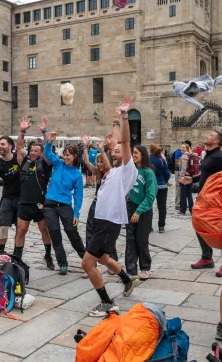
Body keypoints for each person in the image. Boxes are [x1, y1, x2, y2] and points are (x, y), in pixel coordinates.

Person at [81, 95, 137, 317]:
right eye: (111, 151)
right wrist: (97, 147)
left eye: (116, 151)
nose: (114, 152)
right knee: (103, 258)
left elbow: (125, 142)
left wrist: (123, 116)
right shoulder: (112, 172)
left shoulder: (127, 171)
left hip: (109, 222)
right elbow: (106, 156)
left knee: (88, 263)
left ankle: (107, 303)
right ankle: (126, 279)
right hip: (101, 220)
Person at [178, 131, 222, 271]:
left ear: (216, 141)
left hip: (216, 201)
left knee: (220, 229)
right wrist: (193, 179)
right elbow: (206, 174)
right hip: (204, 198)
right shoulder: (208, 154)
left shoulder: (220, 157)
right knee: (200, 226)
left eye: (210, 135)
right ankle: (207, 258)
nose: (206, 135)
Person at [37, 119, 86, 275]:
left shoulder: (77, 174)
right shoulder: (58, 164)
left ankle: (86, 260)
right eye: (64, 154)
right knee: (55, 234)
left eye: (68, 155)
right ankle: (62, 264)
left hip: (65, 206)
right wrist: (46, 136)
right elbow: (47, 154)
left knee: (72, 234)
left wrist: (76, 213)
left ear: (74, 156)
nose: (65, 157)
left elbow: (78, 195)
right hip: (50, 205)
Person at [14, 116, 54, 269]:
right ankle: (17, 256)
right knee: (21, 230)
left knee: (44, 230)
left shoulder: (45, 163)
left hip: (40, 204)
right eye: (32, 150)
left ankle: (48, 255)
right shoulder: (24, 161)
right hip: (24, 203)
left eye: (36, 151)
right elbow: (19, 147)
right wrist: (22, 131)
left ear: (42, 152)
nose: (33, 153)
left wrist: (45, 132)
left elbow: (49, 147)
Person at [82, 134, 118, 278]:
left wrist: (102, 150)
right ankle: (91, 264)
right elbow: (86, 162)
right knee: (90, 233)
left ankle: (112, 262)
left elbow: (108, 167)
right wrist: (85, 145)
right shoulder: (97, 173)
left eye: (101, 161)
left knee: (107, 236)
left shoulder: (110, 174)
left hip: (107, 208)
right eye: (98, 162)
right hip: (95, 206)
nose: (99, 164)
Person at [125, 145, 157, 280]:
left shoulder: (148, 172)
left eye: (136, 153)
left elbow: (150, 195)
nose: (134, 155)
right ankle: (131, 269)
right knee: (130, 239)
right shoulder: (131, 170)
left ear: (143, 155)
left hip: (143, 210)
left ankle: (145, 267)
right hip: (131, 206)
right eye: (133, 152)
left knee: (141, 240)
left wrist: (139, 211)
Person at [150, 143, 171, 232]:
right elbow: (167, 173)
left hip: (150, 185)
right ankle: (161, 226)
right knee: (162, 207)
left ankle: (148, 226)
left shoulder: (148, 158)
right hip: (162, 185)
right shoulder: (161, 160)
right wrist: (165, 180)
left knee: (148, 206)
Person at [178, 143, 194, 215]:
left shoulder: (184, 156)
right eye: (181, 147)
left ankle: (182, 210)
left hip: (185, 177)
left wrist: (181, 177)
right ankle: (191, 210)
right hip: (190, 176)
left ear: (187, 148)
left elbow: (183, 168)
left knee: (183, 195)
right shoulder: (190, 155)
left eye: (183, 147)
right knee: (189, 194)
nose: (181, 148)